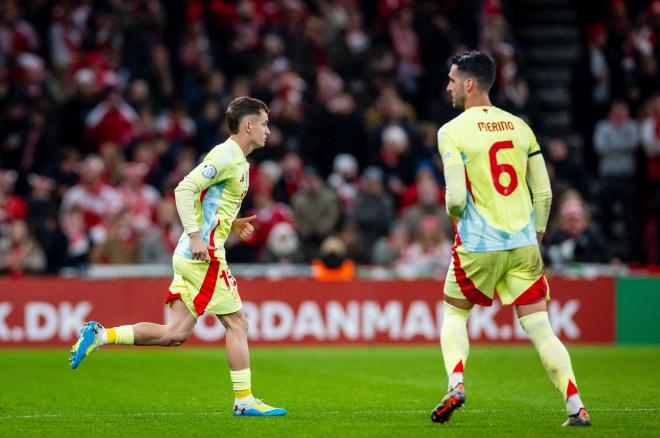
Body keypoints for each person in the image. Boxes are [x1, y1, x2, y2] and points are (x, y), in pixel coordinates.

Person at [69, 97, 287, 417]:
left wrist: (231, 222)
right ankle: (244, 401)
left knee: (174, 334)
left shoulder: (239, 160)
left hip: (191, 251)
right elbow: (184, 189)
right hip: (204, 254)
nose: (268, 130)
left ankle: (100, 335)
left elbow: (207, 200)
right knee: (238, 323)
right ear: (248, 125)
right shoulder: (226, 155)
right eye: (265, 123)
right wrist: (199, 236)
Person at [431, 51, 590, 427]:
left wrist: (457, 218)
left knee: (454, 313)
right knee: (541, 328)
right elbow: (545, 193)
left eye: (453, 80)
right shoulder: (520, 127)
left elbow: (454, 197)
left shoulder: (451, 131)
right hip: (523, 245)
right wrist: (536, 230)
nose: (449, 86)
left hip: (478, 245)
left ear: (469, 84)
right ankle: (575, 405)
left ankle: (456, 383)